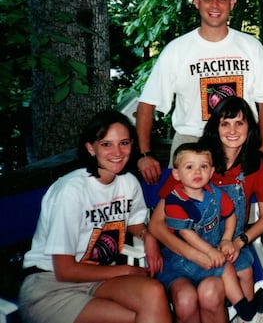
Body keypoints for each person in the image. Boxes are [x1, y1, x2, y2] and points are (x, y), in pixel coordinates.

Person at [18, 110, 171, 323]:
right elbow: (64, 270)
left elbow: (135, 223)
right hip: (51, 285)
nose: (117, 152)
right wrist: (125, 270)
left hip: (98, 276)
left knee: (153, 292)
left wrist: (148, 237)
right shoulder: (71, 191)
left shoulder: (128, 182)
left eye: (124, 143)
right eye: (106, 144)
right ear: (91, 148)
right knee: (140, 317)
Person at [136, 0, 263, 186]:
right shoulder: (177, 50)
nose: (215, 6)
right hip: (191, 143)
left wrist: (261, 150)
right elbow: (147, 104)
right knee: (186, 215)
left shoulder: (251, 47)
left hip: (239, 143)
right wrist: (145, 154)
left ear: (232, 3)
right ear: (196, 2)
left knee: (243, 215)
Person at [148, 96, 263, 323]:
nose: (232, 130)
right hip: (184, 248)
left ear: (249, 127)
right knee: (185, 300)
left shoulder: (258, 164)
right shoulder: (196, 162)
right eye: (225, 123)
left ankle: (244, 316)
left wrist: (238, 241)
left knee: (220, 286)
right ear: (215, 127)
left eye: (239, 123)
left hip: (230, 245)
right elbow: (157, 224)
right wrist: (193, 253)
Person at [155, 142, 263, 323]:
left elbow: (230, 215)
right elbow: (186, 234)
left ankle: (244, 310)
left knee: (228, 265)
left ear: (211, 172)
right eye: (190, 167)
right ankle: (244, 308)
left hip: (213, 247)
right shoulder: (175, 201)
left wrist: (226, 239)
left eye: (203, 167)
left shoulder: (215, 193)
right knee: (223, 266)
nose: (197, 172)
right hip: (184, 258)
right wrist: (210, 252)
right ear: (176, 174)